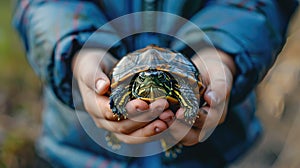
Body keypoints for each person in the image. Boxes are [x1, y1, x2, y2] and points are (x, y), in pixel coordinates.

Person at [13, 0, 297, 167]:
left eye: (157, 79)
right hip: (79, 151)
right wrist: (78, 52)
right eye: (147, 79)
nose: (151, 80)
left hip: (213, 154)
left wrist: (223, 54)